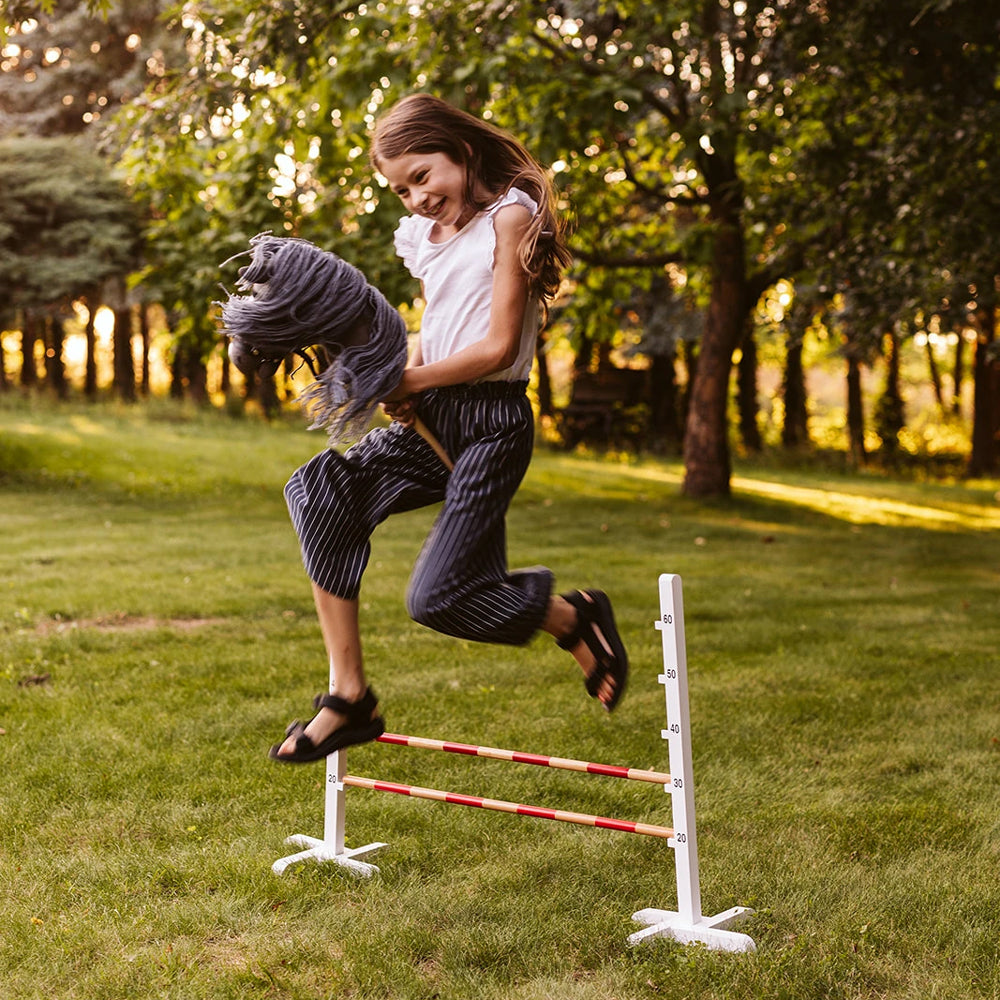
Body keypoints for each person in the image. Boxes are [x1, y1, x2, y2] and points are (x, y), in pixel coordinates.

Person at [270, 93, 628, 763]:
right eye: (401, 188)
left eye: (423, 175)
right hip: (435, 419)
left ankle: (573, 616)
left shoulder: (510, 217)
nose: (416, 197)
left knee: (438, 598)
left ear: (460, 152)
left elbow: (494, 347)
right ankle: (349, 698)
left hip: (490, 426)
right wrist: (409, 376)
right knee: (318, 488)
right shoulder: (427, 241)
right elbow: (438, 330)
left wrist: (410, 382)